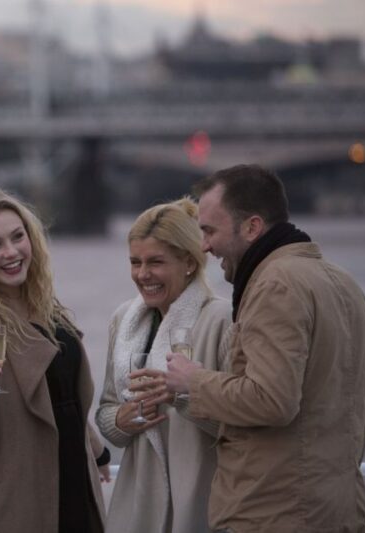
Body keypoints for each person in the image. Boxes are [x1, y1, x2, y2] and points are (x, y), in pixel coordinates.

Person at [166, 164, 365, 532]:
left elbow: (272, 399)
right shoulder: (344, 283)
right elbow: (363, 402)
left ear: (252, 227)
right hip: (340, 508)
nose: (205, 246)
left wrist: (193, 382)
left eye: (210, 231)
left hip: (274, 513)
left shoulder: (276, 285)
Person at [0, 188, 107, 533]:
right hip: (11, 504)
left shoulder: (47, 307)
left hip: (73, 483)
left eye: (18, 237)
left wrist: (97, 451)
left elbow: (62, 398)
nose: (12, 252)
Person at [95, 197, 232, 533]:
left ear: (189, 262)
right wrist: (121, 420)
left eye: (156, 262)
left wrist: (182, 397)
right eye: (135, 262)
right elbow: (106, 411)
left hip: (200, 494)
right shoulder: (123, 319)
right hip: (138, 500)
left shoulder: (222, 320)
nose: (143, 274)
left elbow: (242, 423)